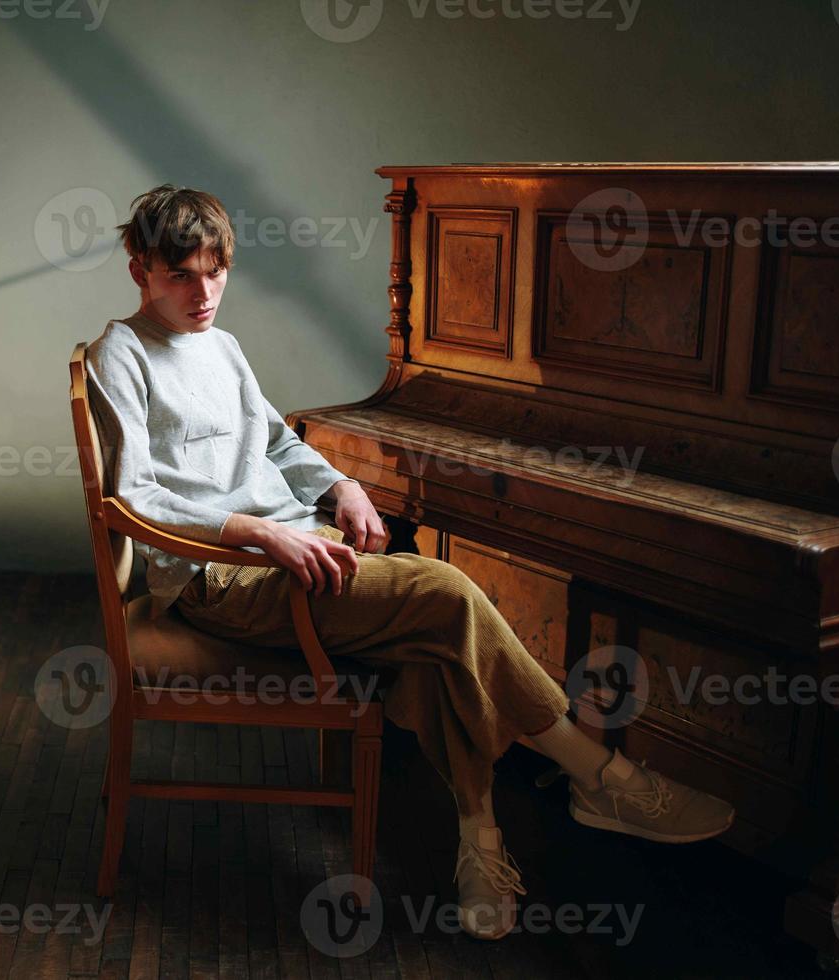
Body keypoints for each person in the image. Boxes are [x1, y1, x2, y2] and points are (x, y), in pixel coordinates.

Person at [83, 184, 736, 941]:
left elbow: (277, 444)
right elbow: (131, 501)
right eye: (181, 276)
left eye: (216, 272)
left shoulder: (222, 347)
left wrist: (343, 483)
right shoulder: (120, 354)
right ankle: (600, 775)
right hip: (218, 578)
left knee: (434, 648)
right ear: (140, 271)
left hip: (299, 550)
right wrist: (263, 535)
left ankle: (479, 841)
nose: (204, 293)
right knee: (449, 596)